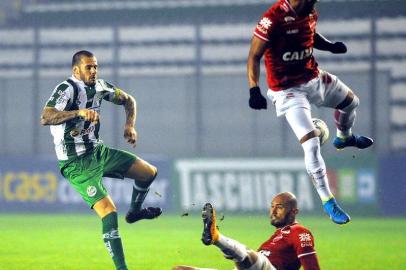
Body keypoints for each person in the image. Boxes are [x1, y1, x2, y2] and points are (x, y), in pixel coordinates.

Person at [246, 0, 374, 224]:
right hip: (288, 91)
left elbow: (310, 35)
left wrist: (331, 46)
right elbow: (254, 56)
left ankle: (344, 137)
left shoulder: (311, 12)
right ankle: (329, 202)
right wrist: (254, 89)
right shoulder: (273, 18)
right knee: (312, 143)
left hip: (314, 78)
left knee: (351, 103)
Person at [40, 50, 162, 270]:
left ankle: (134, 212)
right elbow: (46, 116)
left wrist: (129, 126)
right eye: (89, 67)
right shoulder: (66, 89)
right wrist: (78, 113)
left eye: (95, 66)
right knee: (109, 211)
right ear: (76, 70)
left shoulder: (99, 87)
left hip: (99, 152)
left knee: (149, 172)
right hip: (75, 163)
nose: (94, 70)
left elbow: (128, 100)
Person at [173, 192, 321, 270]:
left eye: (280, 207)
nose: (273, 211)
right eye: (272, 206)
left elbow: (312, 267)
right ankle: (216, 237)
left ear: (294, 212)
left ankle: (216, 237)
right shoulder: (277, 236)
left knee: (251, 256)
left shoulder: (300, 232)